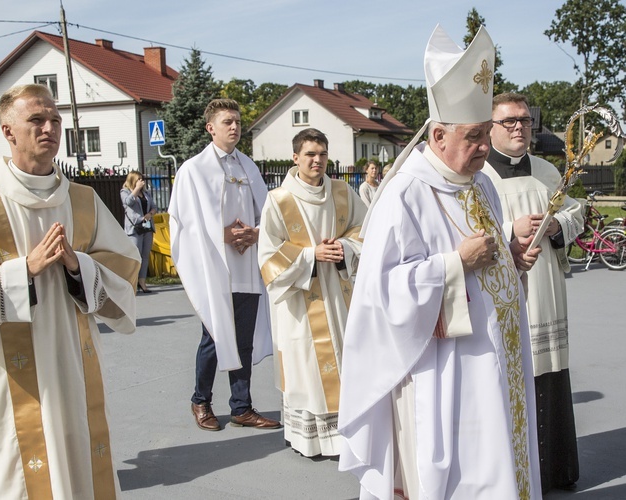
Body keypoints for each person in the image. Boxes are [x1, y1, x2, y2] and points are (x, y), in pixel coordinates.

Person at [338, 26, 544, 499]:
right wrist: (454, 265)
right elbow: (380, 292)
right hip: (445, 373)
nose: (484, 148)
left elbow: (487, 255)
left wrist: (508, 261)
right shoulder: (406, 193)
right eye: (473, 137)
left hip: (499, 360)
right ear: (437, 135)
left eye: (483, 136)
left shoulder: (482, 183)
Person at [0, 84, 141, 500]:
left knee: (78, 456)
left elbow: (126, 267)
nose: (50, 128)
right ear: (8, 131)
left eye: (55, 120)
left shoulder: (83, 200)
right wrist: (22, 271)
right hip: (5, 372)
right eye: (36, 120)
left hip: (71, 361)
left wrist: (80, 266)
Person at [483, 92, 582, 493]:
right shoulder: (479, 175)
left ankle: (556, 470)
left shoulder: (544, 169)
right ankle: (513, 477)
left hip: (546, 289)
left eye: (524, 120)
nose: (518, 128)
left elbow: (575, 210)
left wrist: (557, 226)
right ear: (491, 127)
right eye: (508, 121)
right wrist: (511, 229)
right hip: (505, 291)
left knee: (551, 374)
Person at [168, 98, 279, 431]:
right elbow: (184, 224)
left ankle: (241, 407)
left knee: (243, 340)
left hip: (247, 269)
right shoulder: (193, 170)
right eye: (227, 121)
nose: (235, 127)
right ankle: (200, 401)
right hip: (216, 267)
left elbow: (268, 215)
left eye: (238, 122)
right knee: (215, 337)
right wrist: (223, 236)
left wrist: (256, 233)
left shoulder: (249, 167)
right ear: (210, 128)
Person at [258, 128, 366, 457]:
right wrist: (310, 256)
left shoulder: (342, 192)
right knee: (305, 365)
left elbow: (366, 228)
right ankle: (308, 439)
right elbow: (267, 256)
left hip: (339, 295)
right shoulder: (279, 200)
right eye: (309, 154)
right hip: (300, 300)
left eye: (322, 154)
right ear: (295, 158)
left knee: (346, 359)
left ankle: (346, 435)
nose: (317, 160)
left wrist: (346, 247)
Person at [121, 170, 158, 293]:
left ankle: (142, 281)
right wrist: (136, 189)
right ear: (133, 180)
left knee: (145, 255)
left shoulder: (145, 193)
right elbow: (128, 202)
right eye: (139, 179)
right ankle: (132, 281)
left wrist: (150, 214)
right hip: (134, 228)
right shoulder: (125, 192)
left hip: (147, 226)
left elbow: (154, 206)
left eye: (142, 179)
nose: (142, 182)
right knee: (135, 256)